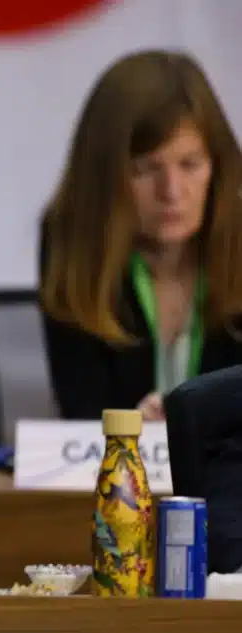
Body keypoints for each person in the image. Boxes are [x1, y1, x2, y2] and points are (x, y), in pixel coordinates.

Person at [39, 49, 242, 421]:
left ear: (218, 166)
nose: (172, 192)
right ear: (104, 175)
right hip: (121, 456)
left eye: (190, 164)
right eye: (145, 169)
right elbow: (82, 408)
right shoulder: (72, 239)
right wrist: (132, 426)